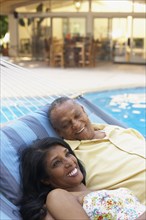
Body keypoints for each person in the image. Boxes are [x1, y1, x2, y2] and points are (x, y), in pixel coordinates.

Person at [48, 96, 146, 205]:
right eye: (66, 125)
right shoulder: (73, 159)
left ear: (83, 110)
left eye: (77, 115)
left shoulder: (117, 130)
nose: (75, 124)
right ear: (58, 131)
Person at [19, 137, 146, 220]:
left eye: (67, 154)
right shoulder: (57, 197)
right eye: (56, 163)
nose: (69, 162)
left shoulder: (96, 191)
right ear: (45, 179)